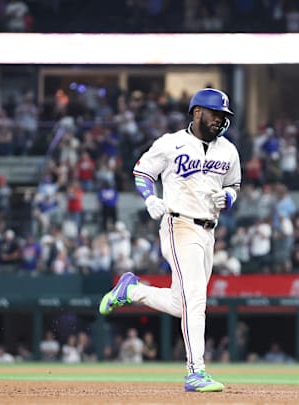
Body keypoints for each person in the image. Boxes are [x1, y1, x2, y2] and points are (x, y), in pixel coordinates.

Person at [98, 88, 241, 392]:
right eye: (216, 114)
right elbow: (142, 172)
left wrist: (228, 196)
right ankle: (195, 371)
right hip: (179, 224)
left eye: (224, 116)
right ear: (198, 112)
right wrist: (149, 198)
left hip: (208, 231)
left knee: (182, 303)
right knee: (196, 300)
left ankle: (132, 291)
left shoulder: (228, 150)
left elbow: (235, 184)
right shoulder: (171, 143)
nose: (220, 120)